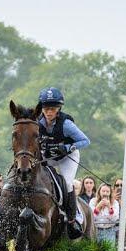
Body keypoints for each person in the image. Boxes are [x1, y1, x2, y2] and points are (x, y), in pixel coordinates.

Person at [37, 86, 90, 239]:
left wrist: (67, 147)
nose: (48, 112)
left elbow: (85, 140)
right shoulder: (37, 123)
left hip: (68, 157)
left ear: (58, 109)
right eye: (46, 108)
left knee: (67, 182)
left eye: (52, 108)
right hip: (49, 157)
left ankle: (72, 219)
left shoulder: (66, 124)